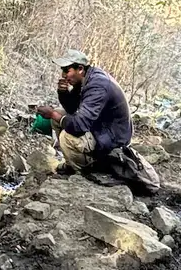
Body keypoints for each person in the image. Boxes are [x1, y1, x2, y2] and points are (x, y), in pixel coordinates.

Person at [38, 50, 157, 193]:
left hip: (113, 139)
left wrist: (51, 114)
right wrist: (63, 93)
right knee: (59, 116)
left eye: (66, 70)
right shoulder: (85, 79)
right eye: (62, 70)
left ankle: (83, 170)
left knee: (67, 137)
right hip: (101, 128)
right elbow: (72, 110)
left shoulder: (98, 86)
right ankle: (71, 163)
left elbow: (79, 125)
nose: (63, 75)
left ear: (80, 69)